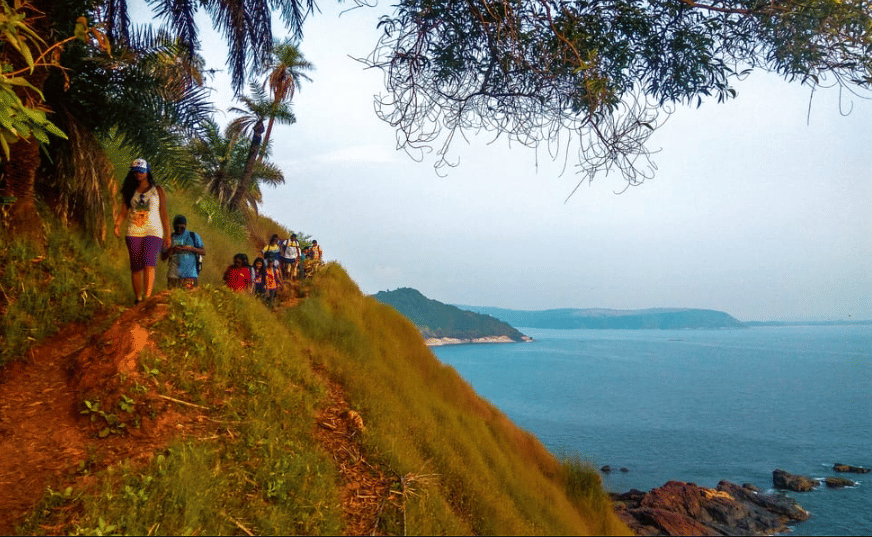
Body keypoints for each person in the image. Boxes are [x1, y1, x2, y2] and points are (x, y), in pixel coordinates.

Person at [114, 158, 171, 305]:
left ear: (147, 172)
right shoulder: (129, 191)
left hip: (154, 230)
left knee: (149, 262)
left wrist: (168, 234)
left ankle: (147, 297)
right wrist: (118, 224)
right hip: (134, 230)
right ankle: (138, 299)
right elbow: (123, 211)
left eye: (141, 171)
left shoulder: (157, 190)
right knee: (136, 266)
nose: (138, 174)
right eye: (135, 171)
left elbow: (163, 213)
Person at [162, 215, 205, 290]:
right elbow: (163, 257)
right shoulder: (170, 238)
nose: (179, 229)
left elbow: (203, 251)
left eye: (181, 227)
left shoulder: (193, 236)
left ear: (185, 226)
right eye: (177, 227)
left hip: (190, 275)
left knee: (190, 297)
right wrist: (173, 250)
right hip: (173, 275)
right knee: (173, 296)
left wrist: (192, 249)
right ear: (174, 226)